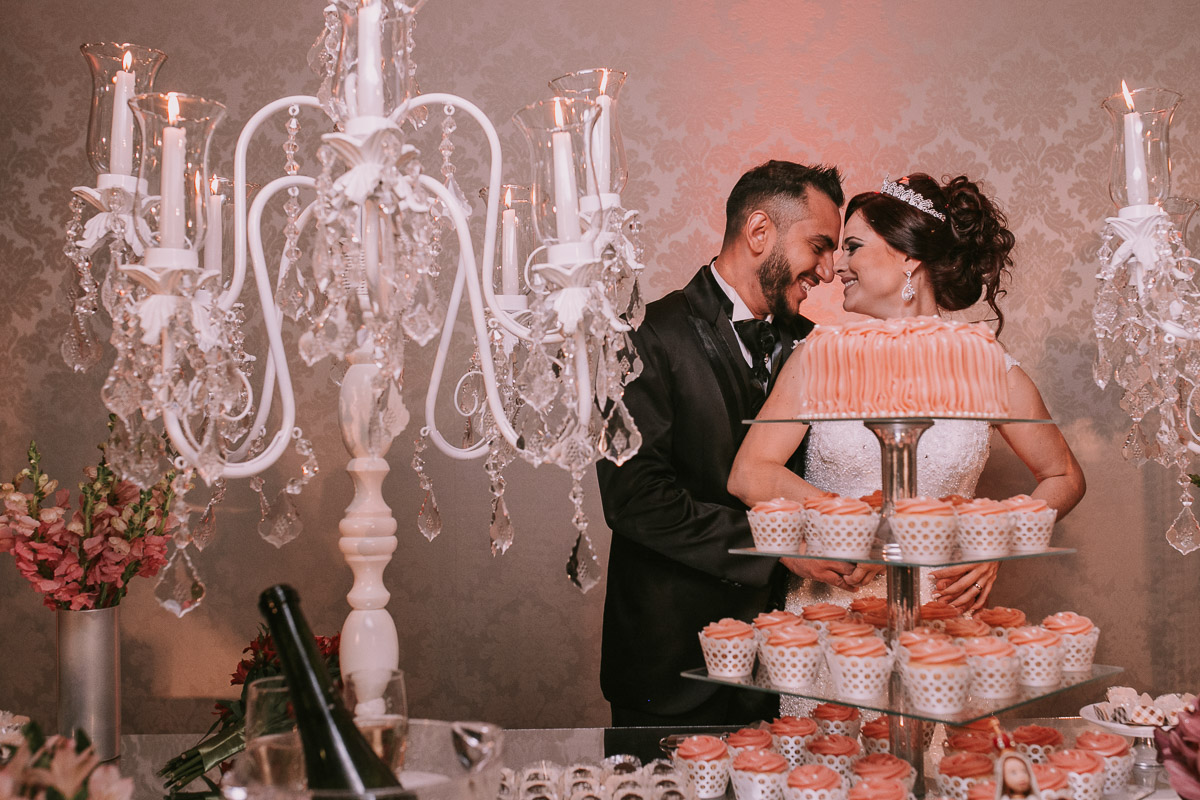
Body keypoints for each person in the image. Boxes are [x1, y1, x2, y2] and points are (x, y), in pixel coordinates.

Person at [729, 172, 1086, 616]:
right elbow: (749, 473)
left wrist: (999, 540)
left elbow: (1065, 476)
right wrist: (856, 523)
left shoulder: (987, 365)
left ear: (908, 257)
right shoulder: (818, 357)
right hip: (830, 617)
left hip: (942, 618)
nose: (836, 267)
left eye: (853, 247)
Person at [596, 160, 873, 727]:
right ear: (759, 231)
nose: (829, 270)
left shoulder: (815, 347)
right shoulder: (644, 334)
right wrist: (778, 543)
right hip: (670, 665)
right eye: (819, 246)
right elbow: (635, 499)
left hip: (782, 667)